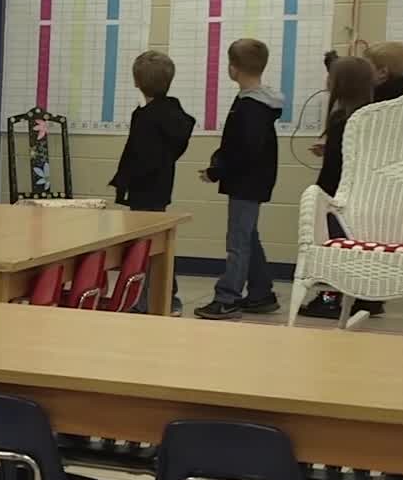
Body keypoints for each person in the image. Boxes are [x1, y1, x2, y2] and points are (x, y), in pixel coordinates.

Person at [195, 39, 283, 320]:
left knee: (238, 241)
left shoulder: (251, 107)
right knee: (248, 236)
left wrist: (216, 170)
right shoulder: (255, 101)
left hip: (247, 181)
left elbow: (242, 149)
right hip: (252, 180)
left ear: (233, 68)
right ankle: (261, 293)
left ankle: (227, 298)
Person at [108, 50, 195, 315]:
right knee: (159, 244)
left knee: (144, 248)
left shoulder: (146, 118)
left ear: (137, 81)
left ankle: (148, 301)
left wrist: (126, 180)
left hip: (144, 190)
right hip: (161, 186)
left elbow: (138, 155)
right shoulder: (173, 113)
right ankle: (170, 295)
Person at [301, 55, 382, 320]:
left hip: (338, 194)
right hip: (367, 194)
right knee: (361, 249)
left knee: (334, 249)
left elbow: (336, 167)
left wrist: (322, 196)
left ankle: (329, 299)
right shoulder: (373, 116)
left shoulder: (341, 119)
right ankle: (369, 299)